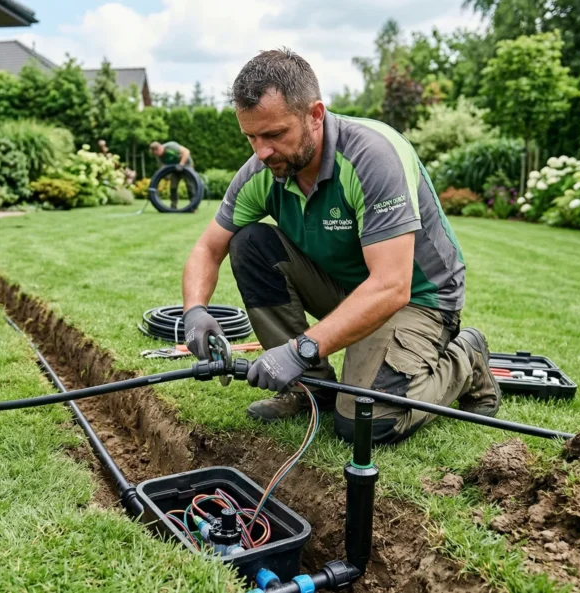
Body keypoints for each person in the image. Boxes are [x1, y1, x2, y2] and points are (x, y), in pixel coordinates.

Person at [179, 49, 500, 446]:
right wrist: (194, 311)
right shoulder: (263, 171)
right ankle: (310, 389)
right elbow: (208, 249)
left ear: (315, 115)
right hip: (348, 290)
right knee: (249, 243)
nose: (261, 152)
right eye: (251, 137)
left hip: (418, 299)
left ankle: (466, 358)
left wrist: (300, 348)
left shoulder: (373, 157)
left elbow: (392, 286)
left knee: (367, 422)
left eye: (275, 134)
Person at [150, 140, 194, 209]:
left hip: (186, 165)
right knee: (173, 187)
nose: (158, 155)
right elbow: (162, 167)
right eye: (156, 154)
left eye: (157, 152)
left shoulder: (171, 146)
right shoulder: (158, 156)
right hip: (174, 169)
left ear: (160, 147)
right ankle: (173, 207)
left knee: (189, 185)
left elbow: (186, 152)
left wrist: (181, 164)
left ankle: (193, 206)